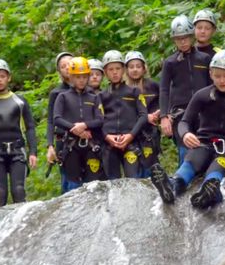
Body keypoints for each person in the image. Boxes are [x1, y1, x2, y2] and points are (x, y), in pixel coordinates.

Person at [151, 50, 225, 209]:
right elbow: (184, 122)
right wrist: (186, 133)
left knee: (217, 167)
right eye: (217, 76)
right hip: (203, 144)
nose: (222, 81)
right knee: (190, 163)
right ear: (211, 74)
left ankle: (209, 192)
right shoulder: (202, 95)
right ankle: (172, 187)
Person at [0, 59, 38, 207]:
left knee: (18, 191)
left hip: (17, 151)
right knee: (0, 192)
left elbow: (30, 127)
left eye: (2, 76)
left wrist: (33, 152)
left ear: (9, 77)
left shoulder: (20, 102)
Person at [159, 14, 212, 165]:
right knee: (185, 153)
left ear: (191, 36)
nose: (182, 42)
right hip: (181, 114)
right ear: (174, 40)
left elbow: (211, 87)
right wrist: (164, 116)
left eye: (185, 37)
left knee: (205, 150)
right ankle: (182, 184)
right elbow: (164, 89)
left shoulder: (204, 59)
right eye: (178, 38)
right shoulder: (170, 62)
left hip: (203, 112)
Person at [53, 57, 105, 187]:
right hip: (71, 146)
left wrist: (85, 125)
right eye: (77, 77)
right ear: (70, 77)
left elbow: (100, 119)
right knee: (73, 185)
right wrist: (75, 128)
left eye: (83, 77)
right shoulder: (63, 96)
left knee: (94, 185)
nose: (81, 80)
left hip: (91, 145)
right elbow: (57, 118)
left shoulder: (94, 97)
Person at [100, 50, 148, 179]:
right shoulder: (101, 96)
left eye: (118, 68)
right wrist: (106, 136)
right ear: (105, 72)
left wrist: (131, 135)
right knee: (113, 183)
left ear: (123, 70)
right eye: (111, 69)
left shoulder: (134, 92)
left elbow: (143, 116)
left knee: (132, 181)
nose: (115, 72)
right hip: (109, 145)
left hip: (130, 143)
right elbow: (97, 120)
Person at [125, 50, 161, 177]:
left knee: (151, 171)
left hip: (150, 134)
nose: (135, 70)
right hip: (131, 135)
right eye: (131, 67)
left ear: (144, 68)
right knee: (133, 174)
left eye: (138, 66)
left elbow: (165, 101)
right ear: (127, 69)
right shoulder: (123, 89)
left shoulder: (153, 85)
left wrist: (159, 113)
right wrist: (146, 117)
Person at [46, 51, 75, 194]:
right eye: (63, 66)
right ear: (59, 71)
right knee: (67, 181)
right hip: (63, 141)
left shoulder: (85, 90)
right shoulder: (56, 93)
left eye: (70, 64)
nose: (67, 68)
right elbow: (51, 121)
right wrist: (50, 145)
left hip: (86, 140)